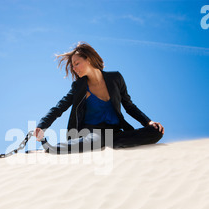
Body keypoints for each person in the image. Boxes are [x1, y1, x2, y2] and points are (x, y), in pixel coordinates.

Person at [33, 42, 164, 154]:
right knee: (96, 140)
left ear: (88, 59)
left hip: (115, 133)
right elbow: (59, 108)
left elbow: (129, 106)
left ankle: (111, 144)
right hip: (91, 133)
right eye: (73, 65)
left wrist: (148, 122)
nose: (74, 68)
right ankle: (52, 149)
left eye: (77, 63)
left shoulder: (115, 78)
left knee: (156, 132)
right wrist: (42, 126)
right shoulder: (79, 87)